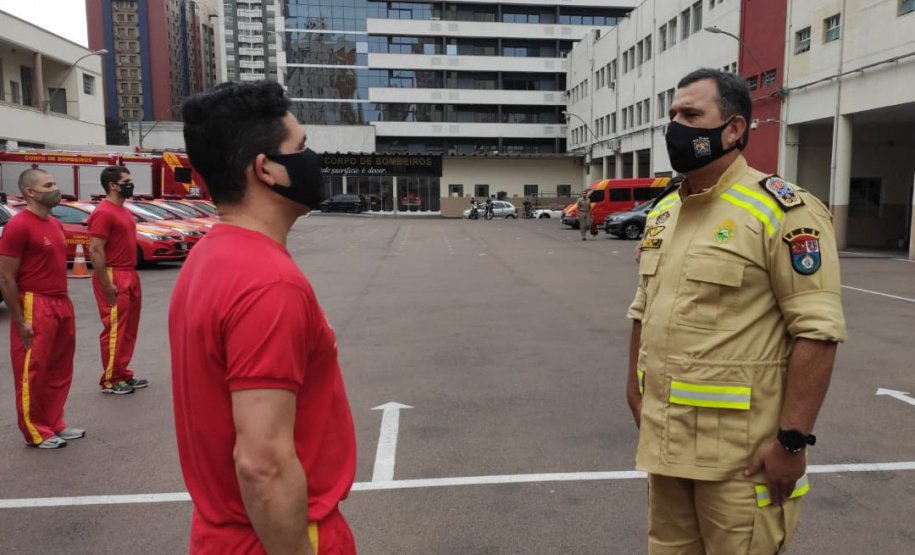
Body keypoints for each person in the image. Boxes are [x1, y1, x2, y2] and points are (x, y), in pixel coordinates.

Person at [626, 68, 846, 554]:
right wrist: (633, 389)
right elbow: (644, 307)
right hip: (667, 447)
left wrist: (792, 441)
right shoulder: (666, 213)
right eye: (672, 116)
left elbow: (818, 332)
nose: (675, 129)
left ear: (733, 129)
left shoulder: (782, 211)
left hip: (742, 460)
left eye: (691, 115)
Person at [170, 81, 357, 554]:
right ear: (267, 169)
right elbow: (263, 463)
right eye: (302, 148)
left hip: (223, 533)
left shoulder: (208, 257)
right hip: (277, 536)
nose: (313, 160)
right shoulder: (270, 284)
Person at [0, 169, 83, 449]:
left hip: (61, 301)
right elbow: (6, 277)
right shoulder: (19, 226)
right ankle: (35, 431)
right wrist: (20, 319)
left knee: (59, 368)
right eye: (49, 185)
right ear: (30, 192)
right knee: (33, 369)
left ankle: (54, 422)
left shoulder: (55, 225)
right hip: (35, 302)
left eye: (55, 183)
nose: (55, 188)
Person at [87, 166, 149, 395]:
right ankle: (111, 380)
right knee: (114, 329)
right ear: (113, 185)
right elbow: (95, 249)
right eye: (127, 181)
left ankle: (122, 373)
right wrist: (106, 283)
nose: (130, 184)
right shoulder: (104, 212)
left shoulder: (123, 210)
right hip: (114, 274)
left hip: (129, 273)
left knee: (128, 329)